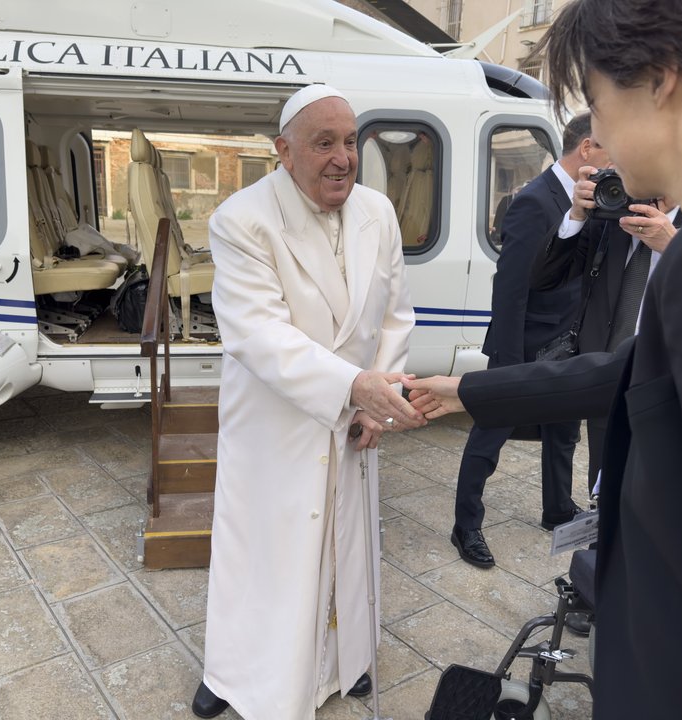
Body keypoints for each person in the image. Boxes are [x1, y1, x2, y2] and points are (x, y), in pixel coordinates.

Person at [406, 0, 682, 717]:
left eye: (597, 100)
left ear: (660, 78)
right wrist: (470, 390)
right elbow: (641, 372)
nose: (599, 134)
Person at [192, 84, 425, 720]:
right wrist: (355, 390)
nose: (342, 158)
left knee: (348, 548)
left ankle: (348, 662)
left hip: (353, 422)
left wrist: (380, 392)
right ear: (284, 152)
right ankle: (235, 675)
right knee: (264, 555)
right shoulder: (242, 220)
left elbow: (396, 316)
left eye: (350, 142)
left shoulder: (379, 211)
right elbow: (258, 333)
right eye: (324, 143)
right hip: (278, 428)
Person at [449, 112, 609, 571]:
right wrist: (509, 361)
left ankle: (557, 508)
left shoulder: (590, 195)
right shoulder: (534, 200)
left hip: (569, 340)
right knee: (489, 434)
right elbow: (511, 285)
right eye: (609, 146)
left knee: (563, 434)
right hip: (524, 344)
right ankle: (466, 524)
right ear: (587, 148)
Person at [532, 180, 682, 496]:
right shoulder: (610, 224)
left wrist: (675, 246)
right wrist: (576, 213)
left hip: (670, 390)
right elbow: (543, 278)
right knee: (603, 495)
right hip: (609, 382)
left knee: (662, 498)